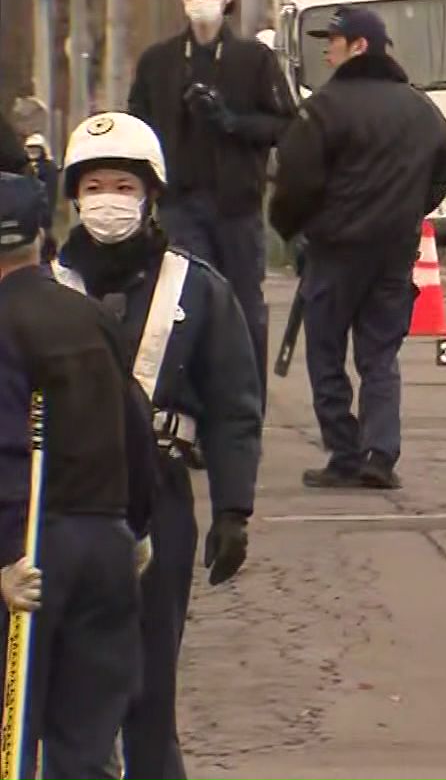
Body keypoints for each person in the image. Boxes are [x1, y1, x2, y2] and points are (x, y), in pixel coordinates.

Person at [52, 111, 261, 780]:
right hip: (57, 506)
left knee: (148, 688)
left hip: (159, 501)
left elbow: (234, 405)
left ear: (150, 195)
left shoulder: (197, 287)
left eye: (122, 185)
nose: (107, 200)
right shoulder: (40, 290)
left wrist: (234, 509)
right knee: (57, 686)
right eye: (92, 186)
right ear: (73, 197)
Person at [0, 167, 157, 780]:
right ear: (44, 235)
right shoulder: (89, 316)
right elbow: (134, 426)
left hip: (30, 550)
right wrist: (135, 526)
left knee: (11, 740)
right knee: (87, 745)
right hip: (104, 539)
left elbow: (8, 450)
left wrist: (5, 555)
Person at [270, 6, 446, 490]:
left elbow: (295, 182)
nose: (327, 48)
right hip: (394, 252)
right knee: (379, 353)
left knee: (325, 352)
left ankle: (344, 452)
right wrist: (407, 215)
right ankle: (380, 451)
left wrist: (292, 230)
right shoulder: (422, 110)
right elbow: (439, 179)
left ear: (359, 47)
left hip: (335, 251)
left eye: (335, 39)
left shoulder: (323, 109)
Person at [128, 0, 295, 400]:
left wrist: (231, 121)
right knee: (185, 305)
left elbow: (284, 125)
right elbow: (136, 130)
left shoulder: (253, 60)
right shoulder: (159, 62)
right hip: (181, 205)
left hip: (237, 206)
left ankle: (244, 405)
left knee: (243, 307)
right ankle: (190, 407)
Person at [22, 134, 58, 265]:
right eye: (30, 150)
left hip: (43, 210)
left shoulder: (49, 167)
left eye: (36, 150)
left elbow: (51, 191)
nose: (33, 153)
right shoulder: (24, 167)